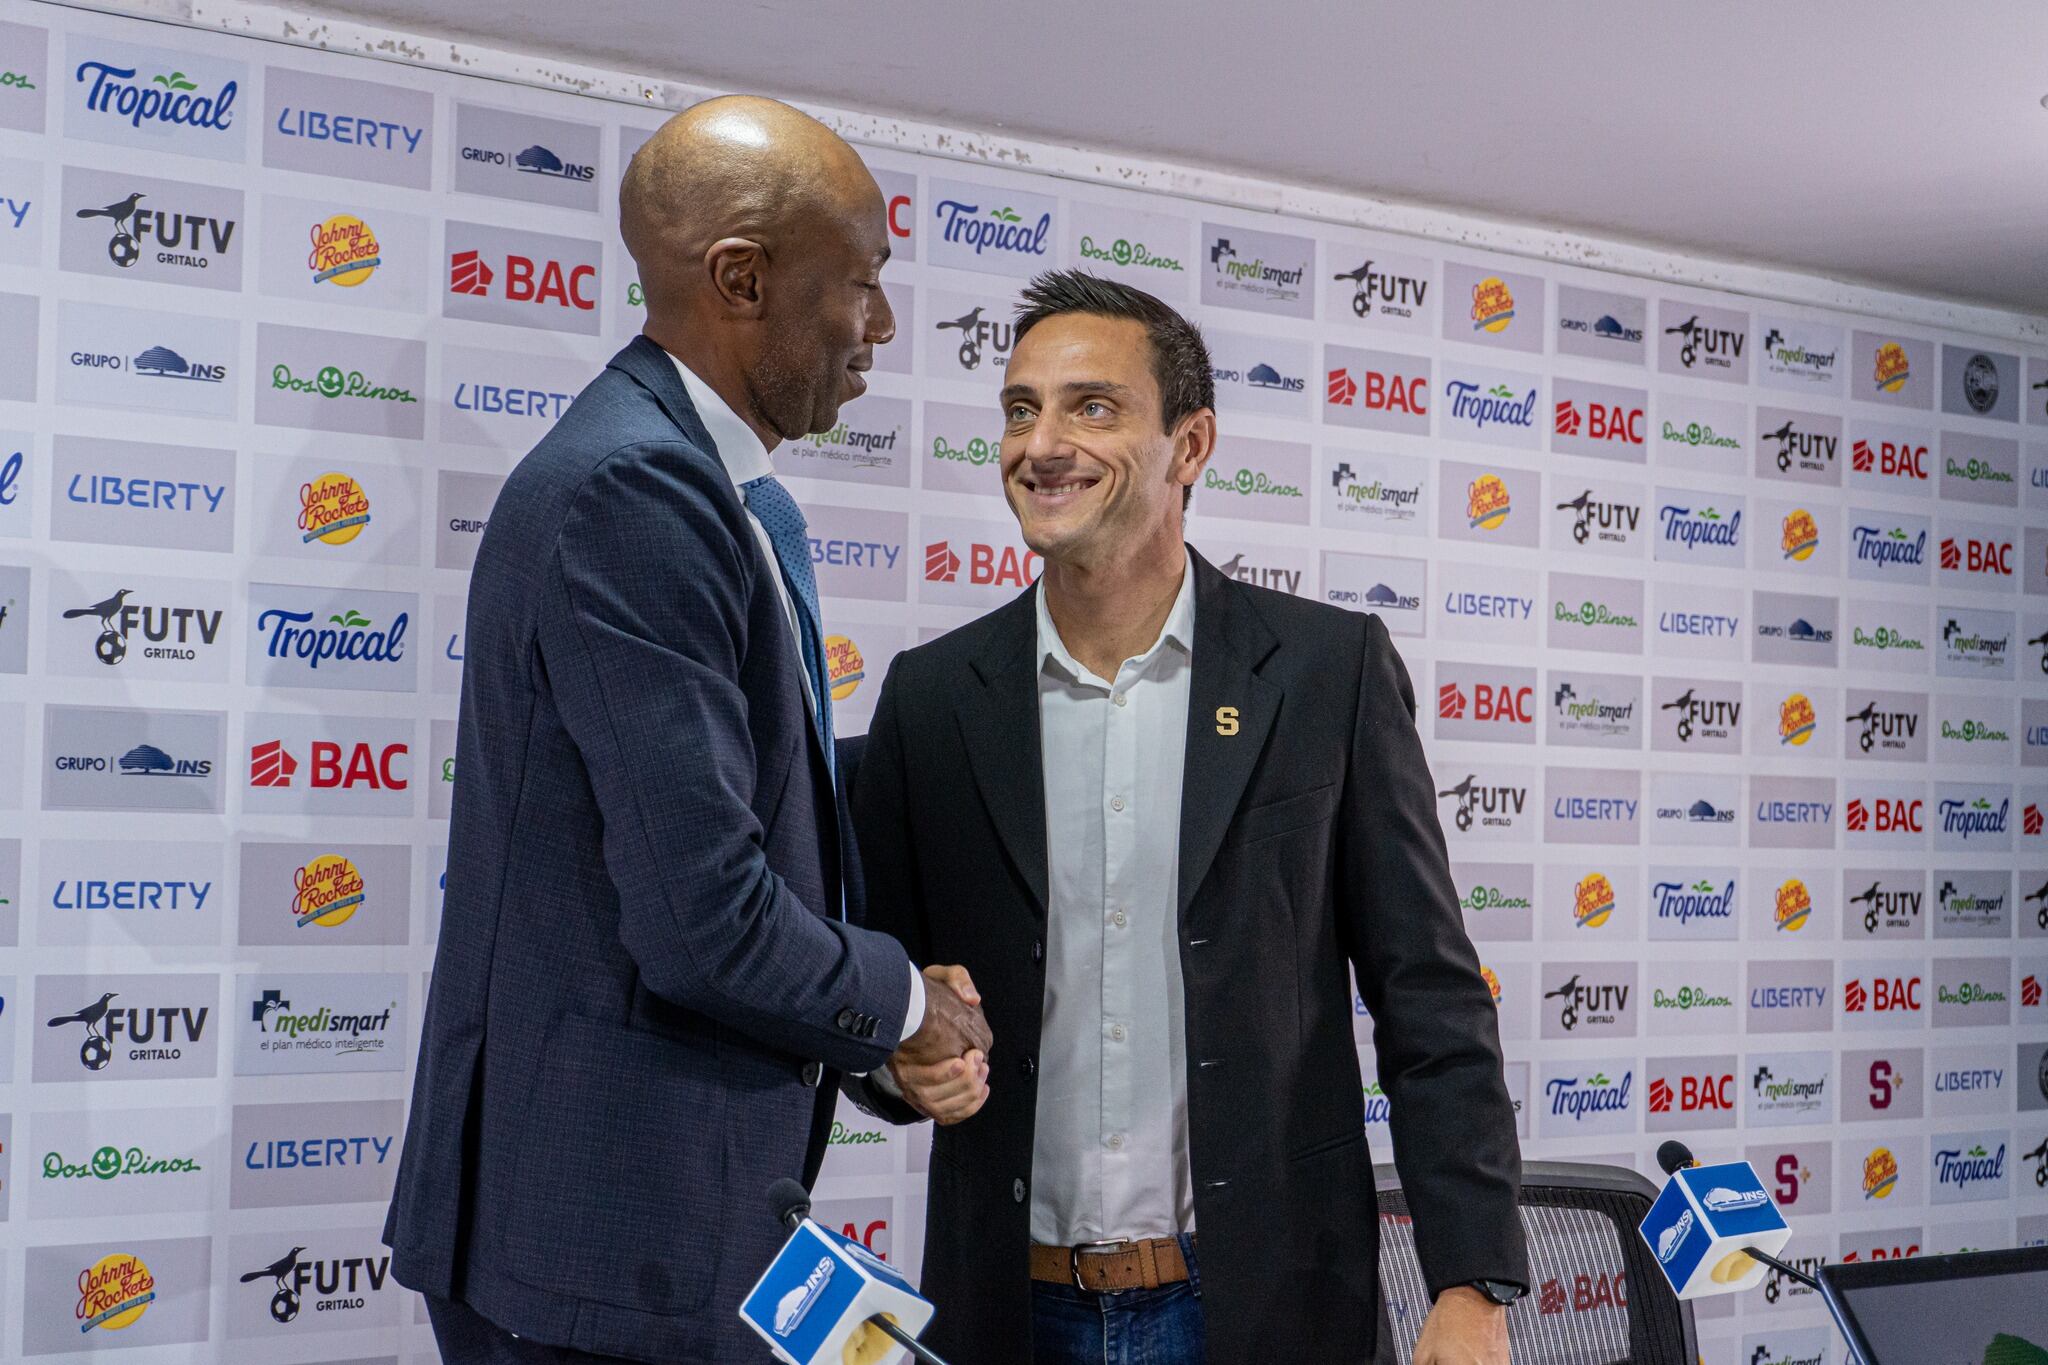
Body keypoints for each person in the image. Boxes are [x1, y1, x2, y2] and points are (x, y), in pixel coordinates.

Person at [384, 96, 991, 1365]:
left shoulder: (705, 486)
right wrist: (897, 1004)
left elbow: (755, 825)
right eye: (862, 285)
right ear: (740, 278)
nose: (880, 326)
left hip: (670, 1227)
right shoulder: (632, 492)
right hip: (599, 1249)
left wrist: (879, 1030)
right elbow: (702, 914)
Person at [851, 270, 1527, 1364]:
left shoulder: (1323, 673)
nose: (1041, 442)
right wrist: (898, 1060)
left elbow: (1430, 997)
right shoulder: (929, 699)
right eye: (1021, 408)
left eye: (1092, 406)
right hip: (1006, 1312)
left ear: (1190, 444)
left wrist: (1468, 1280)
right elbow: (878, 985)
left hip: (1259, 1306)